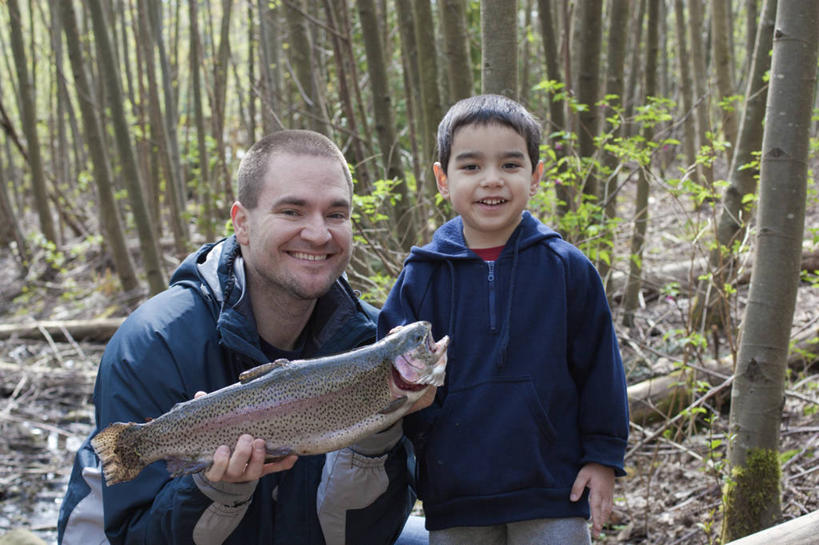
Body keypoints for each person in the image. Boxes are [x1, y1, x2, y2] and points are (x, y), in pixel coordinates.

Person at [58, 129, 435, 545]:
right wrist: (215, 491)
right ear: (242, 224)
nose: (318, 233)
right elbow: (129, 536)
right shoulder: (153, 344)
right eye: (292, 211)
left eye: (336, 214)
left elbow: (371, 532)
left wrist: (377, 433)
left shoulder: (373, 343)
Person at [377, 95, 630, 544]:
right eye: (471, 167)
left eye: (510, 165)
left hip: (553, 487)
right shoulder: (422, 277)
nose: (491, 181)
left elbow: (600, 372)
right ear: (442, 178)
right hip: (456, 496)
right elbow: (390, 384)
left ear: (535, 176)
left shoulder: (567, 269)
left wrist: (603, 458)